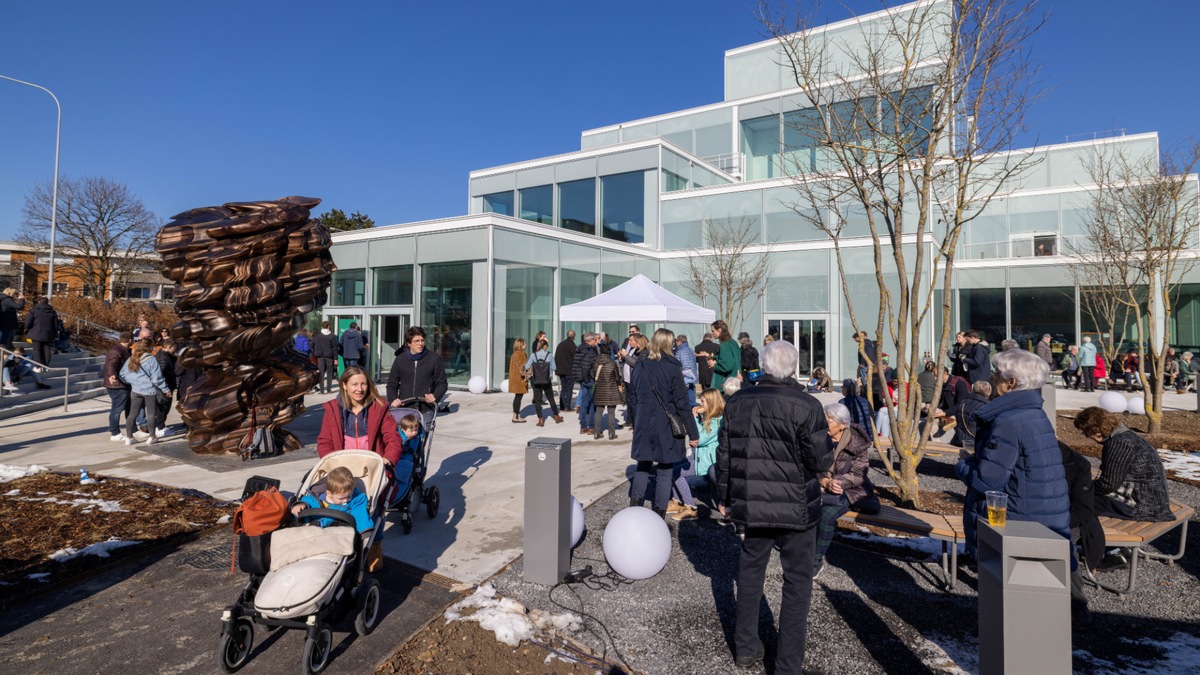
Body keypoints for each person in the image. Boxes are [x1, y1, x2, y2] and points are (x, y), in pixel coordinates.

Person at [716, 339, 832, 672]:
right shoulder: (805, 405)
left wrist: (725, 499)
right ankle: (786, 665)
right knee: (797, 583)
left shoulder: (737, 401)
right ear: (793, 368)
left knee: (750, 576)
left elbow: (726, 457)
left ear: (764, 366)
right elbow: (821, 459)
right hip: (795, 507)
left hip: (754, 506)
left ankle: (746, 649)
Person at [954, 349, 1070, 559]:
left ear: (1011, 383)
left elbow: (987, 481)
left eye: (996, 373)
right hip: (1039, 516)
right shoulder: (1034, 413)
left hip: (1017, 522)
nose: (990, 377)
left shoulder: (1007, 421)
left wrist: (963, 464)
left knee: (1005, 585)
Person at [627, 328, 699, 515]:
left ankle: (635, 509)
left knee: (643, 465)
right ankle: (659, 513)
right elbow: (683, 404)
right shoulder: (673, 367)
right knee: (665, 469)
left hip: (644, 422)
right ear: (670, 344)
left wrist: (637, 421)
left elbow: (632, 398)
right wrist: (693, 432)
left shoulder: (640, 366)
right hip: (666, 424)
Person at [813, 402, 880, 578]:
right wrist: (824, 481)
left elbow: (858, 474)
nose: (824, 423)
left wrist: (836, 482)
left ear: (843, 425)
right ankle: (800, 552)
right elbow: (810, 466)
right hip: (821, 486)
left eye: (829, 420)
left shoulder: (857, 443)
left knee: (826, 516)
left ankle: (815, 561)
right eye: (824, 419)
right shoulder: (819, 438)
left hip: (849, 491)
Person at [1073, 406, 1173, 523]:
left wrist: (1082, 488)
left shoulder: (1119, 443)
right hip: (1153, 503)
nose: (1088, 437)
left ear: (1095, 432)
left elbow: (1108, 484)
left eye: (1086, 432)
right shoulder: (1126, 435)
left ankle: (1073, 537)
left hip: (1142, 507)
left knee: (1076, 500)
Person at [317, 366, 403, 468]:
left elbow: (393, 437)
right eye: (354, 385)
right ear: (344, 385)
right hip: (342, 468)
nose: (360, 389)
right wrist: (333, 464)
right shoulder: (333, 409)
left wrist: (388, 458)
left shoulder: (379, 407)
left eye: (363, 384)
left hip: (373, 467)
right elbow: (325, 442)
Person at [385, 326, 448, 429]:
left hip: (426, 409)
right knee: (403, 442)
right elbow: (392, 384)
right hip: (404, 409)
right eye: (416, 341)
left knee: (422, 442)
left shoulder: (434, 359)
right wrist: (392, 399)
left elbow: (442, 384)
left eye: (422, 340)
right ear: (408, 343)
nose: (420, 343)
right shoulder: (400, 360)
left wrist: (435, 395)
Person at [119, 339, 172, 446]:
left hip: (135, 390)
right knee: (151, 414)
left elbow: (122, 374)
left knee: (132, 414)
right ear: (148, 348)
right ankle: (152, 436)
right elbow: (157, 378)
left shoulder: (132, 358)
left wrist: (133, 382)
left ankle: (129, 437)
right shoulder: (151, 359)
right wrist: (166, 389)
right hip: (149, 390)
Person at [291, 466, 373, 533]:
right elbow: (306, 503)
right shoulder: (315, 499)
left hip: (340, 531)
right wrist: (300, 506)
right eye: (341, 498)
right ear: (329, 494)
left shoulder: (355, 500)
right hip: (315, 531)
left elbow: (360, 514)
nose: (346, 500)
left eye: (349, 495)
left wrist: (364, 530)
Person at [102, 332, 134, 441]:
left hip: (124, 383)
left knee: (129, 407)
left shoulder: (125, 350)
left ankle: (133, 429)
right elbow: (112, 364)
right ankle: (114, 432)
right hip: (117, 385)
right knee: (117, 409)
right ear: (130, 340)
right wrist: (112, 376)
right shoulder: (116, 351)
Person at [525, 336, 562, 427]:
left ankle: (540, 420)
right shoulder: (549, 355)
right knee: (551, 399)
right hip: (546, 380)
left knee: (537, 400)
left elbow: (526, 367)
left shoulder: (534, 355)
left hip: (536, 379)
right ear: (545, 346)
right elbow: (554, 368)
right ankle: (556, 417)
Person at [691, 387, 725, 487]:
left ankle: (687, 501)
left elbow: (700, 439)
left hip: (709, 463)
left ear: (710, 402)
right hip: (702, 459)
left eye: (702, 401)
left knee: (678, 476)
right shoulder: (710, 417)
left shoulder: (717, 421)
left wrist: (695, 418)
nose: (700, 404)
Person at [570, 332, 600, 435]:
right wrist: (588, 379)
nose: (595, 342)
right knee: (593, 402)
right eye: (594, 340)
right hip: (588, 379)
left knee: (584, 402)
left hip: (582, 379)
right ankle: (591, 426)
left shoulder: (579, 349)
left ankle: (583, 426)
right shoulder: (589, 351)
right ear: (590, 340)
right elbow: (586, 367)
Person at [592, 348, 624, 440]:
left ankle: (596, 433)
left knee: (598, 412)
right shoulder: (612, 364)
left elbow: (593, 376)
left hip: (600, 391)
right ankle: (611, 433)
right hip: (611, 390)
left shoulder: (596, 364)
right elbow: (617, 378)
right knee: (611, 412)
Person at [393, 413, 422, 502]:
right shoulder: (398, 437)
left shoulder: (417, 437)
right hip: (398, 458)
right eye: (411, 431)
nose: (414, 433)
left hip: (408, 459)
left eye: (416, 430)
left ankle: (397, 496)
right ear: (403, 429)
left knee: (404, 472)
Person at [24, 297, 58, 368]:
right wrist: (54, 334)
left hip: (36, 333)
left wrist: (27, 328)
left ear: (39, 301)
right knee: (47, 349)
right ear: (47, 302)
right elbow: (56, 325)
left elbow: (28, 321)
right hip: (48, 334)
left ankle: (38, 366)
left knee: (37, 350)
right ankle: (46, 364)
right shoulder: (52, 312)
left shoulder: (34, 310)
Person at [153, 339, 178, 437]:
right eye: (174, 347)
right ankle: (160, 427)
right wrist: (165, 388)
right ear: (169, 347)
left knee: (164, 407)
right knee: (163, 407)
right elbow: (162, 374)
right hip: (165, 386)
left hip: (166, 385)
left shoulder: (166, 355)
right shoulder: (163, 358)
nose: (175, 349)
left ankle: (160, 425)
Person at [707, 320, 741, 391]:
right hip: (733, 382)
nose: (712, 333)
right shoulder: (732, 342)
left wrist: (714, 364)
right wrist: (714, 357)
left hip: (726, 384)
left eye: (713, 331)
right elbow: (730, 358)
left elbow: (726, 366)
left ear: (719, 330)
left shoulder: (724, 345)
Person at [554, 330, 577, 412]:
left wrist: (557, 368)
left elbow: (556, 357)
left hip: (561, 370)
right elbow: (575, 359)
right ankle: (567, 406)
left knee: (563, 388)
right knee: (569, 389)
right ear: (574, 337)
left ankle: (562, 405)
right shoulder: (572, 346)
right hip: (569, 371)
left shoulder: (560, 345)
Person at [507, 338, 529, 423]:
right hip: (520, 379)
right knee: (518, 398)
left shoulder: (514, 354)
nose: (525, 345)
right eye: (524, 344)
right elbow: (524, 367)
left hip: (514, 378)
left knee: (517, 397)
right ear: (521, 345)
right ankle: (515, 416)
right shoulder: (521, 354)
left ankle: (515, 415)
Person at [312, 321, 338, 394]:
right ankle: (329, 389)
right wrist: (335, 358)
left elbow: (312, 345)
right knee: (329, 373)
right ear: (328, 326)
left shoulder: (317, 336)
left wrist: (315, 353)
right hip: (329, 356)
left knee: (321, 373)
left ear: (322, 326)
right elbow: (334, 348)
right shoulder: (332, 336)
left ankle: (322, 390)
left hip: (320, 357)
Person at [674, 334, 699, 406]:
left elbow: (686, 366)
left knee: (688, 400)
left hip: (686, 378)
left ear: (679, 341)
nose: (676, 343)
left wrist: (686, 379)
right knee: (690, 397)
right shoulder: (690, 349)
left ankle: (692, 413)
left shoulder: (682, 351)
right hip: (691, 377)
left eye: (676, 341)